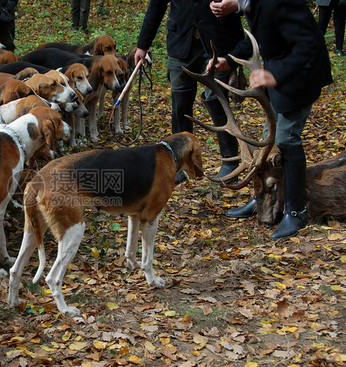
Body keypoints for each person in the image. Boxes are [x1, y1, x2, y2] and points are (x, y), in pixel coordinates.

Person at [210, 0, 333, 239]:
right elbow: (257, 37)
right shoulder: (255, 4)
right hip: (280, 79)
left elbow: (309, 45)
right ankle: (264, 198)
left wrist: (275, 75)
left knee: (287, 140)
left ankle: (297, 211)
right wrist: (229, 59)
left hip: (300, 78)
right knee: (270, 141)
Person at [133, 0, 244, 185]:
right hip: (181, 41)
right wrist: (143, 45)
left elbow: (247, 4)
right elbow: (156, 5)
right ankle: (180, 162)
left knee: (217, 100)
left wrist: (234, 6)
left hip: (220, 41)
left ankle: (230, 161)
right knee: (180, 103)